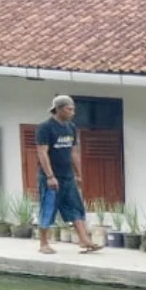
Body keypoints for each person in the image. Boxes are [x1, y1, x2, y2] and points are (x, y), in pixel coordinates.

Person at [36, 96, 101, 255]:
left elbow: (73, 152)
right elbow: (42, 152)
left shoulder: (71, 128)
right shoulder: (45, 128)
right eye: (69, 109)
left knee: (75, 208)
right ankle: (43, 243)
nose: (73, 112)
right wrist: (50, 176)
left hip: (68, 176)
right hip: (51, 177)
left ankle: (84, 241)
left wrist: (78, 174)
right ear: (58, 109)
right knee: (48, 208)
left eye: (73, 109)